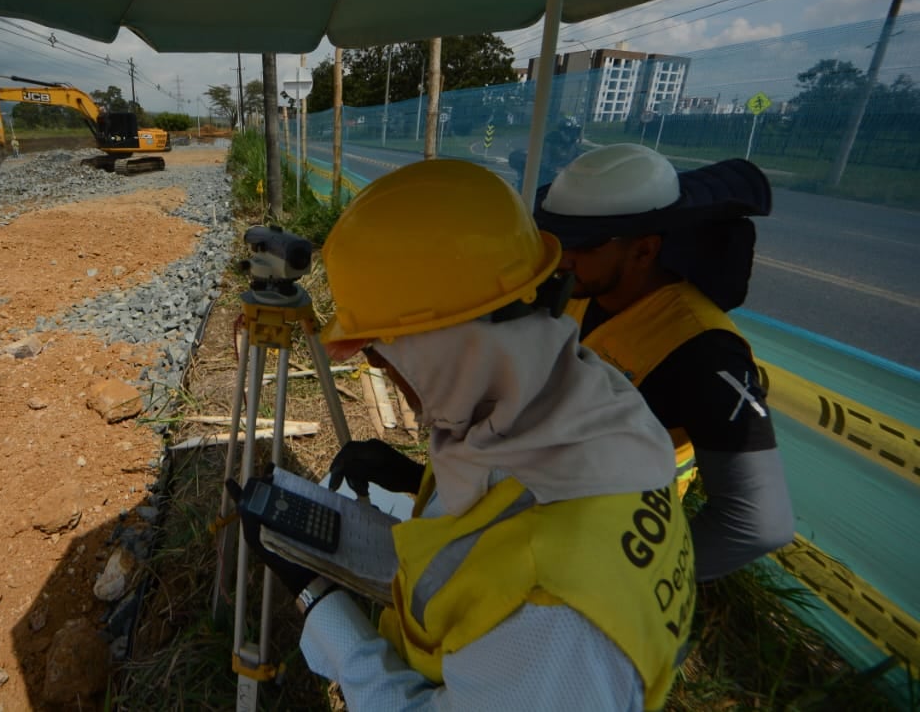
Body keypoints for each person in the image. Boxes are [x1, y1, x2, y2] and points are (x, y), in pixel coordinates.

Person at [229, 159, 695, 711]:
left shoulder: (555, 618)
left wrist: (316, 593)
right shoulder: (591, 406)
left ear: (443, 355)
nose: (382, 374)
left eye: (382, 354)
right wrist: (418, 479)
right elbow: (494, 542)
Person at [532, 143, 795, 582]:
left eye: (581, 244)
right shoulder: (580, 289)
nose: (562, 256)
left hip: (606, 537)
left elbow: (758, 524)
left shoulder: (704, 350)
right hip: (546, 508)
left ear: (643, 251)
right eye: (556, 237)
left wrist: (633, 581)